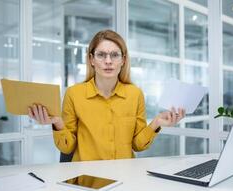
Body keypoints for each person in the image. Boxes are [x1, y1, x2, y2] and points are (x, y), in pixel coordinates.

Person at [28, 30, 185, 162]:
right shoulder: (74, 94)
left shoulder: (135, 94)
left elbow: (137, 145)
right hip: (86, 180)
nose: (108, 61)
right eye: (101, 55)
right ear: (91, 60)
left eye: (115, 55)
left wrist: (156, 122)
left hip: (125, 177)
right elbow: (67, 147)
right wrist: (57, 123)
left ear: (123, 60)